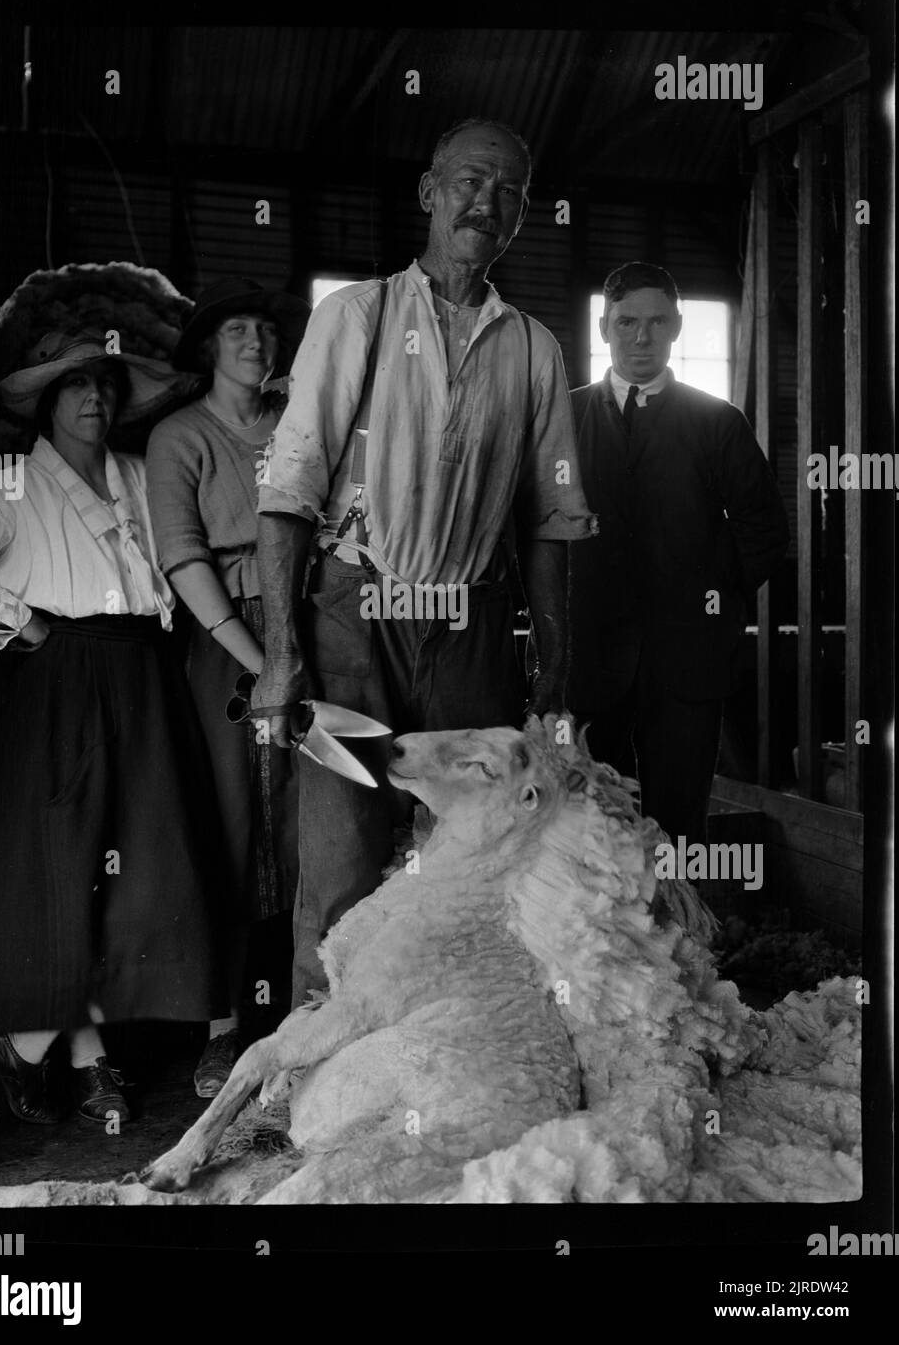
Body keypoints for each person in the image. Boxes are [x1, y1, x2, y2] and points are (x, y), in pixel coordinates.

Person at [253, 118, 597, 1007]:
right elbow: (288, 492)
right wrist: (282, 658)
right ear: (429, 192)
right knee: (341, 856)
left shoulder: (533, 347)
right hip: (352, 616)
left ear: (522, 213)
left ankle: (446, 1047)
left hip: (469, 625)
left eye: (509, 190)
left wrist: (553, 673)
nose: (487, 202)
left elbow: (550, 523)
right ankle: (316, 1058)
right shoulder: (357, 315)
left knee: (470, 856)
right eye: (470, 181)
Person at [0, 330, 221, 1126]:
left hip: (146, 670)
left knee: (144, 867)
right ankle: (78, 1058)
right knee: (64, 864)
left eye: (105, 385)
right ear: (47, 400)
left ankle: (34, 1049)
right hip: (61, 674)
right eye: (76, 384)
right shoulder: (10, 485)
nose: (94, 398)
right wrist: (23, 622)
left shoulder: (140, 475)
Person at [146, 278, 310, 1097]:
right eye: (236, 329)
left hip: (310, 625)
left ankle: (304, 1020)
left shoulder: (297, 423)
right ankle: (222, 1032)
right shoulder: (180, 436)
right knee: (231, 828)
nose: (254, 342)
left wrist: (299, 648)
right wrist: (261, 663)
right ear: (209, 347)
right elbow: (182, 558)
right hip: (227, 641)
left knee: (312, 825)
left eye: (265, 329)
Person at [568, 261, 789, 848]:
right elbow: (528, 526)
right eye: (627, 322)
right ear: (604, 327)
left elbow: (765, 531)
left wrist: (709, 600)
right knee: (587, 828)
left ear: (677, 327)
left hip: (688, 664)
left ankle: (676, 911)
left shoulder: (718, 422)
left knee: (677, 829)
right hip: (588, 662)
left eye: (658, 322)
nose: (642, 337)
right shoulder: (562, 417)